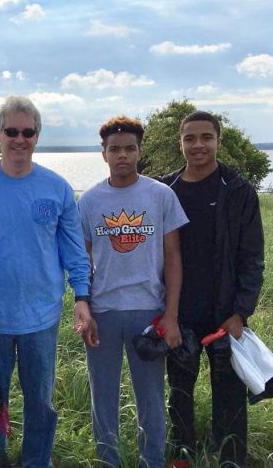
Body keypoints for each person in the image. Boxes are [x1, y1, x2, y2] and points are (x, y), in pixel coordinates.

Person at [0, 95, 91, 467]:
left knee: (39, 401)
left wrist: (82, 295)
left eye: (28, 132)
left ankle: (35, 462)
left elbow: (74, 250)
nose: (20, 139)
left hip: (41, 318)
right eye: (11, 131)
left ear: (37, 136)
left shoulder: (57, 187)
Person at [78, 116, 188, 468]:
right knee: (103, 398)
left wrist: (170, 316)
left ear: (140, 151)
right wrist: (84, 306)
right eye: (114, 149)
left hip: (148, 312)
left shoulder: (160, 195)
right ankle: (108, 461)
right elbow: (83, 258)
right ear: (104, 154)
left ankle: (151, 461)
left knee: (151, 398)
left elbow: (172, 258)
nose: (122, 155)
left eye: (129, 148)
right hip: (103, 313)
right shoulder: (90, 200)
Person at [160, 111, 264, 468]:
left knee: (230, 399)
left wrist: (240, 313)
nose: (198, 145)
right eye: (190, 138)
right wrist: (164, 313)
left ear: (218, 140)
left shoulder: (238, 190)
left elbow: (253, 258)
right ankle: (182, 458)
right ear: (181, 143)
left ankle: (231, 460)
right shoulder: (165, 190)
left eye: (206, 137)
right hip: (179, 314)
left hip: (225, 315)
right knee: (179, 396)